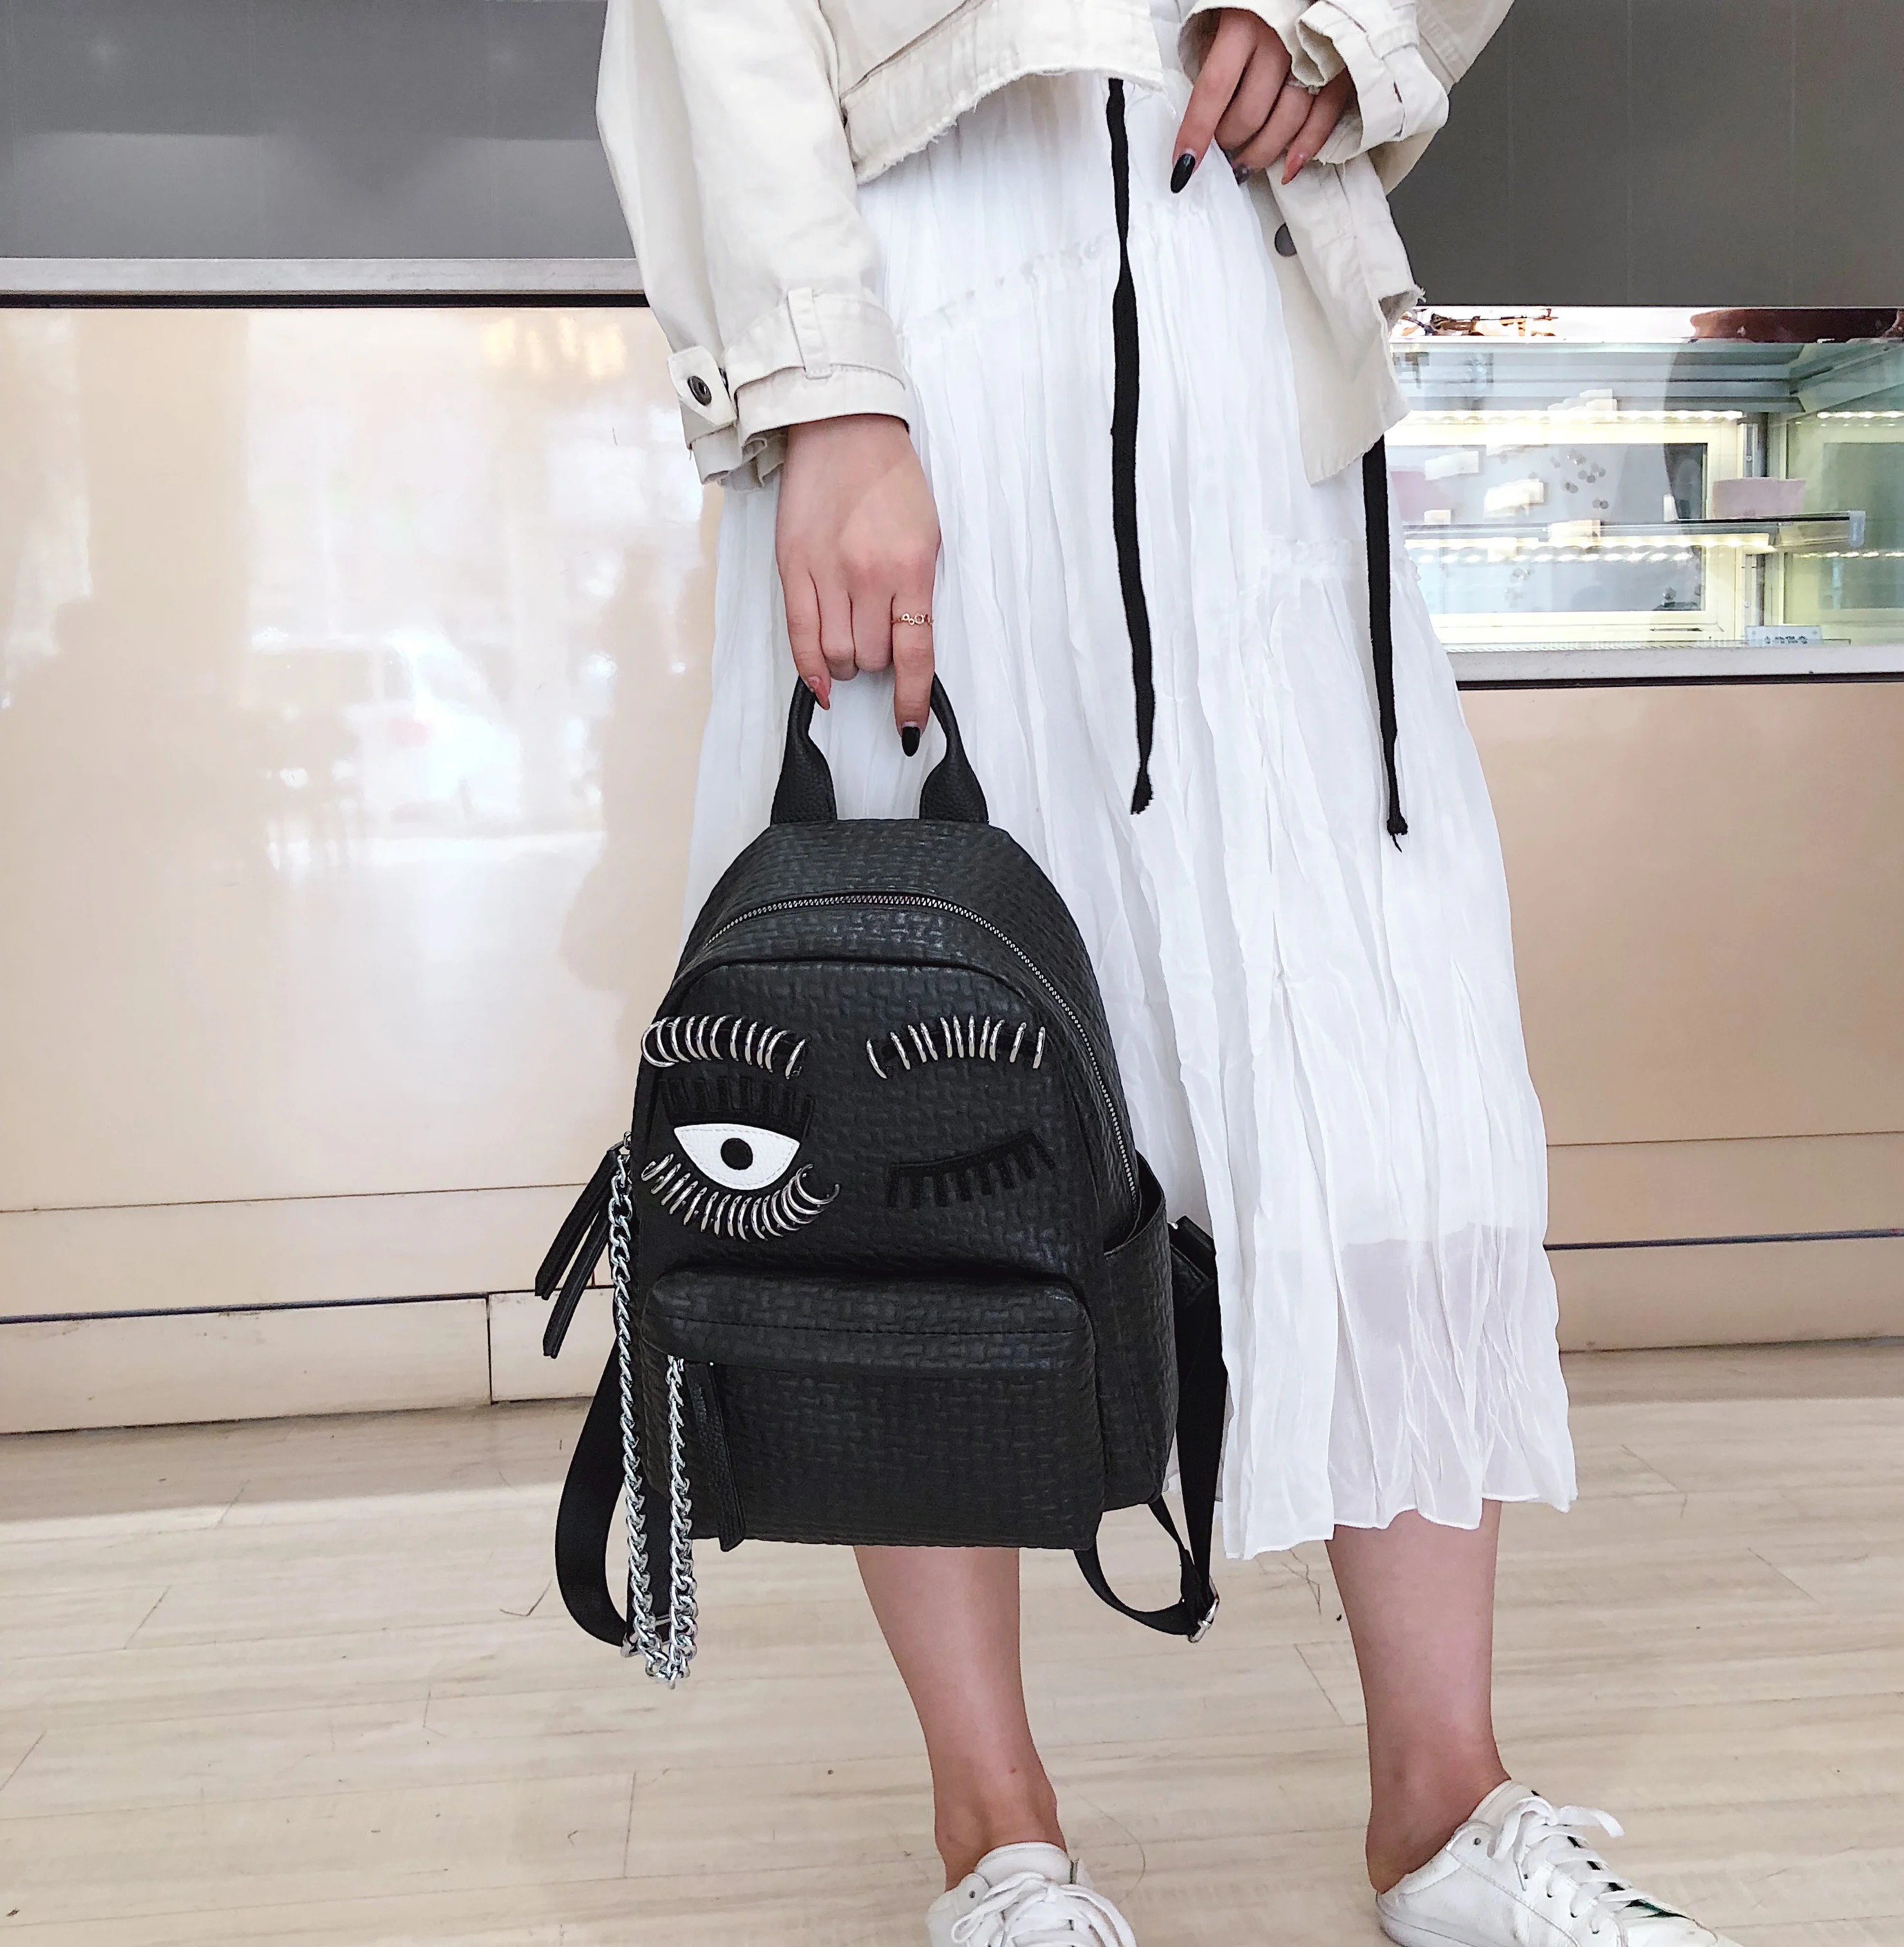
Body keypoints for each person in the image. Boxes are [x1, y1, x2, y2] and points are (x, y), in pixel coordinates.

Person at [598, 4, 1744, 1942]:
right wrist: (824, 383)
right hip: (918, 283)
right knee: (910, 1092)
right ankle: (998, 1839)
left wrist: (1351, 26)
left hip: (1241, 275)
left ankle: (1446, 1812)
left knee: (1384, 1059)